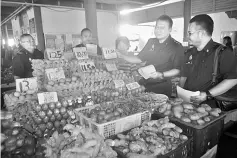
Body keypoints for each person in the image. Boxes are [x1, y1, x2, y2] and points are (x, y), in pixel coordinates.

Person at [118, 15, 184, 96]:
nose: (158, 30)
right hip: (145, 83)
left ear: (170, 29)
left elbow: (178, 70)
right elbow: (139, 58)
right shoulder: (151, 42)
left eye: (162, 28)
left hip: (162, 85)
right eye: (156, 27)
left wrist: (161, 74)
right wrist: (122, 56)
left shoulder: (176, 46)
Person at [180, 14, 237, 107]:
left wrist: (207, 95)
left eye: (190, 33)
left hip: (209, 107)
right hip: (187, 104)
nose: (187, 36)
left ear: (201, 33)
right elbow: (184, 75)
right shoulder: (189, 53)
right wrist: (181, 94)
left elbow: (233, 79)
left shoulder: (222, 52)